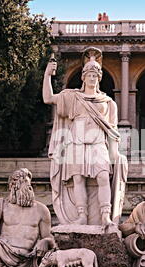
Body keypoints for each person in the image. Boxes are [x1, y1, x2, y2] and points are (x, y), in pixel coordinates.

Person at [43, 47, 127, 227]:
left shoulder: (108, 103)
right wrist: (47, 75)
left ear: (99, 78)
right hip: (76, 142)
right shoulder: (73, 96)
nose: (91, 78)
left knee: (104, 176)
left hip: (98, 143)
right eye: (88, 74)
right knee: (78, 179)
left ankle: (105, 215)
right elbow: (48, 98)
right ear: (83, 77)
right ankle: (82, 216)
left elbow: (113, 131)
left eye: (95, 75)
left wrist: (116, 155)